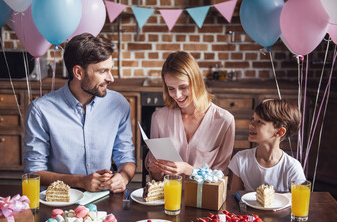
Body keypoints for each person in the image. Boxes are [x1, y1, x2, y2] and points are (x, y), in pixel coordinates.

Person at [23, 33, 136, 193]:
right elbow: (33, 172)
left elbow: (126, 157)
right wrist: (81, 181)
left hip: (104, 200)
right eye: (103, 71)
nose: (110, 78)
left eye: (110, 70)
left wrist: (123, 177)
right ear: (78, 72)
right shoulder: (40, 110)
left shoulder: (119, 104)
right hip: (61, 201)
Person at [145, 51, 235, 181]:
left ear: (196, 81)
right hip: (169, 197)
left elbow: (221, 176)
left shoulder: (224, 121)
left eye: (183, 87)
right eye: (171, 88)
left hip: (205, 197)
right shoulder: (158, 118)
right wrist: (155, 170)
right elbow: (156, 178)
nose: (177, 95)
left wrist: (188, 170)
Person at [228, 99, 306, 192]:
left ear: (279, 132)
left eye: (260, 122)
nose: (251, 125)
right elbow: (234, 198)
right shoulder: (240, 159)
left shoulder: (292, 167)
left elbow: (300, 202)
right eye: (252, 119)